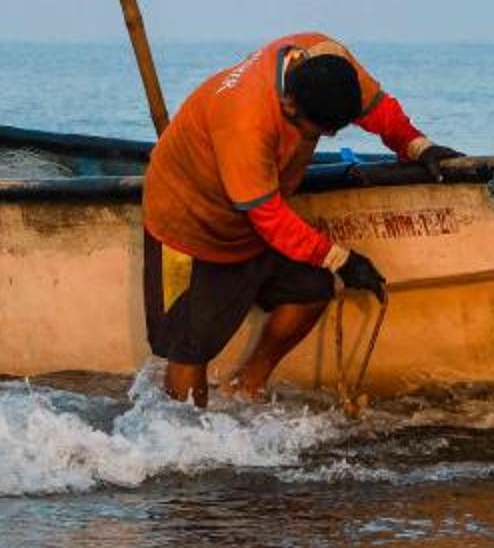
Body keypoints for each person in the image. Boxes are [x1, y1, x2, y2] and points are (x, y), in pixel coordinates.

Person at [141, 34, 456, 405]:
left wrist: (417, 146)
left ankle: (246, 387)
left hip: (257, 215)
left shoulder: (326, 57)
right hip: (192, 223)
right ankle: (184, 431)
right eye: (318, 131)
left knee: (312, 289)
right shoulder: (244, 120)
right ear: (288, 104)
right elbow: (269, 218)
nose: (327, 136)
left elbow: (377, 109)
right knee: (190, 345)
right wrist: (340, 259)